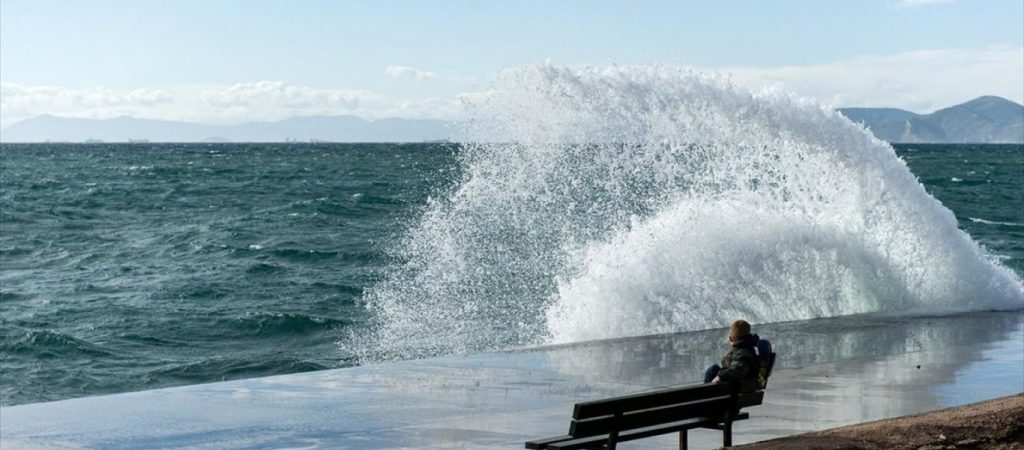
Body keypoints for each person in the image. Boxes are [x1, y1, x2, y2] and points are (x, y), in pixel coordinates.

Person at [704, 319, 760, 384]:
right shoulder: (746, 350)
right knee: (713, 369)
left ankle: (704, 392)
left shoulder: (743, 353)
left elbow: (738, 370)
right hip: (737, 387)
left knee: (712, 371)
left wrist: (721, 376)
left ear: (731, 338)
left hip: (735, 389)